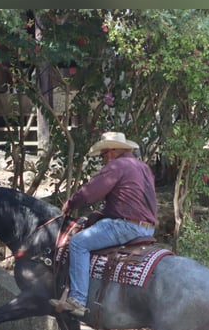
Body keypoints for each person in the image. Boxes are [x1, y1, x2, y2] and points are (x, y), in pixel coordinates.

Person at [50, 131, 158, 317]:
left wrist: (71, 203)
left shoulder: (117, 165)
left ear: (113, 151)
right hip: (147, 227)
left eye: (103, 154)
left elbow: (90, 192)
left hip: (126, 226)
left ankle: (77, 299)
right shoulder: (142, 167)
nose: (102, 160)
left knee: (78, 243)